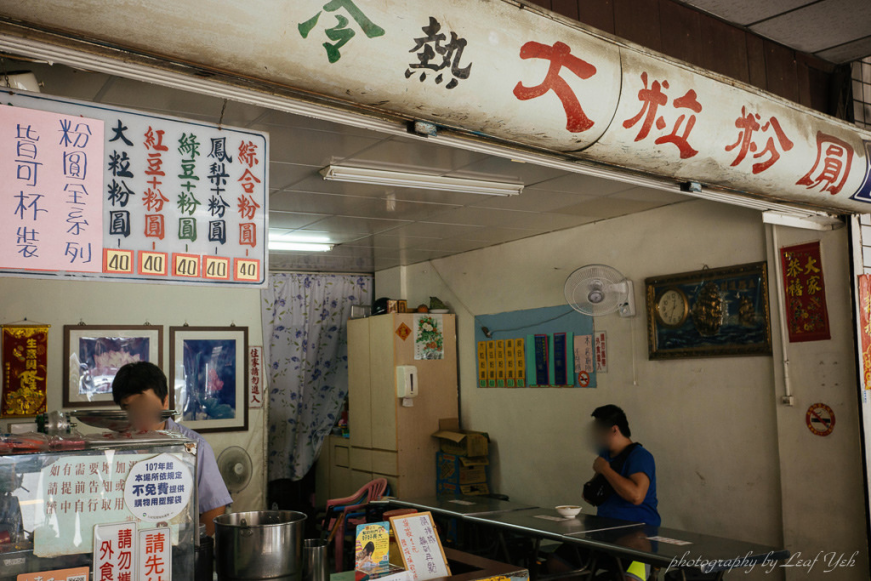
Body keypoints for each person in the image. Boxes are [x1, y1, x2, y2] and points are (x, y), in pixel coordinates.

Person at [112, 361, 232, 535]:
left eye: (143, 404)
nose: (137, 415)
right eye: (128, 408)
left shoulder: (194, 446)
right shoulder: (113, 449)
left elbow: (215, 506)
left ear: (165, 401)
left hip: (178, 549)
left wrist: (191, 549)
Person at [548, 405, 659, 581]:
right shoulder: (605, 456)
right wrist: (591, 491)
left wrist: (605, 470)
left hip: (639, 533)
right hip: (604, 529)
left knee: (630, 578)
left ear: (614, 429)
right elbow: (595, 489)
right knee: (557, 564)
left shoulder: (640, 456)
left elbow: (636, 496)